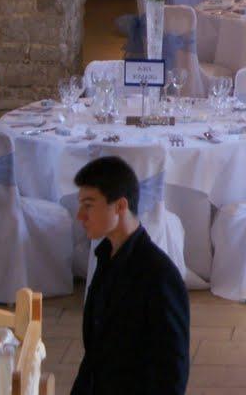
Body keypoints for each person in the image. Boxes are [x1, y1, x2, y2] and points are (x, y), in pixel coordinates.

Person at [71, 156, 189, 394]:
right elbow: (94, 358)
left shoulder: (160, 275)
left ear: (120, 206)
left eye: (89, 205)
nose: (80, 216)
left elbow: (172, 374)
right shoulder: (105, 257)